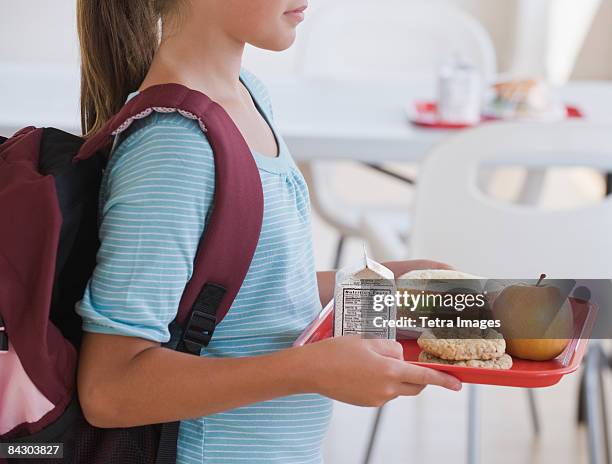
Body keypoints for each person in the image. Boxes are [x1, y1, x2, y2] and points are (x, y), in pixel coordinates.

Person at [75, 1, 462, 462]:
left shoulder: (246, 96)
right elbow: (109, 389)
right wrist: (307, 372)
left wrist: (378, 289)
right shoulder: (174, 146)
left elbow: (250, 296)